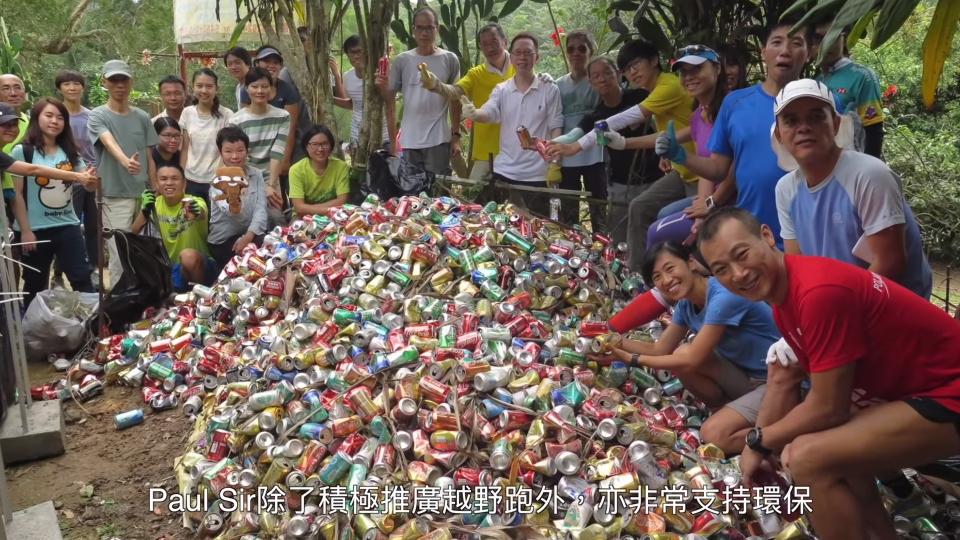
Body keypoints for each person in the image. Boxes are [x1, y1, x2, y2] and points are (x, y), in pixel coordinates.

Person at [696, 207, 960, 540]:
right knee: (834, 456)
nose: (738, 273)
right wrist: (768, 441)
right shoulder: (784, 304)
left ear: (766, 235)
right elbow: (829, 402)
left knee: (806, 458)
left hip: (948, 394)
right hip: (908, 397)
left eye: (742, 254)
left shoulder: (817, 292)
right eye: (721, 269)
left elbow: (827, 407)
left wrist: (758, 442)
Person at [596, 241, 779, 454]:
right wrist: (612, 342)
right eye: (657, 277)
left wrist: (633, 360)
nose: (666, 280)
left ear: (691, 263)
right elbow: (660, 349)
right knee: (680, 353)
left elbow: (693, 358)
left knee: (713, 436)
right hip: (748, 379)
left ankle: (781, 437)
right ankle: (727, 412)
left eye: (670, 268)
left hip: (780, 382)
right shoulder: (686, 305)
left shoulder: (724, 296)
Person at [656, 20, 814, 248]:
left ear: (808, 53)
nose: (785, 51)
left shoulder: (824, 104)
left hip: (809, 233)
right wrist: (681, 156)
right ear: (763, 52)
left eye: (796, 43)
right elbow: (718, 169)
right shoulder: (736, 103)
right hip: (753, 231)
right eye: (777, 42)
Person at [772, 78, 931, 299]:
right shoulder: (785, 190)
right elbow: (798, 264)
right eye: (791, 120)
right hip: (838, 306)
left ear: (836, 124)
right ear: (779, 134)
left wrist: (837, 312)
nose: (804, 127)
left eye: (816, 117)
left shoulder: (869, 175)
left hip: (894, 312)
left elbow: (890, 263)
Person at [548, 39, 697, 268]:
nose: (632, 72)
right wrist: (552, 144)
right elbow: (667, 135)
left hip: (698, 173)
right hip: (676, 173)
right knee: (638, 211)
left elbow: (625, 118)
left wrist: (577, 147)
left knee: (669, 226)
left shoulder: (665, 87)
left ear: (655, 61)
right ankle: (637, 276)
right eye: (628, 68)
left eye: (636, 65)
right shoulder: (650, 92)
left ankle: (667, 271)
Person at [461, 32, 563, 216]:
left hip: (538, 175)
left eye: (528, 53)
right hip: (504, 172)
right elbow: (490, 111)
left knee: (544, 227)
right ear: (512, 56)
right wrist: (475, 113)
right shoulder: (502, 90)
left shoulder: (549, 89)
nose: (522, 57)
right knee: (494, 224)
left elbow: (556, 126)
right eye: (518, 53)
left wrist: (554, 162)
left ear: (536, 57)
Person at [8, 98, 98, 306]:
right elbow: (17, 195)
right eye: (48, 116)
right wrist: (26, 230)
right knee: (34, 284)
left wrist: (91, 180)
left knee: (81, 278)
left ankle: (93, 328)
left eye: (60, 117)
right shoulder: (23, 151)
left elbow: (87, 184)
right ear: (36, 118)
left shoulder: (69, 151)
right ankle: (34, 331)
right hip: (34, 230)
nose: (55, 121)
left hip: (67, 225)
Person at [645, 45, 733, 249]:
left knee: (656, 233)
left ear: (717, 69)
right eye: (684, 72)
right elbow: (707, 169)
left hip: (731, 201)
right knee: (664, 215)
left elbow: (735, 170)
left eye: (697, 69)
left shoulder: (730, 107)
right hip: (713, 197)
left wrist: (710, 205)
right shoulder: (698, 115)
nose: (689, 77)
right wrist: (703, 204)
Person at [573, 57, 663, 244]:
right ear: (590, 82)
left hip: (656, 178)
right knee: (621, 239)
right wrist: (549, 144)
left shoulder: (641, 97)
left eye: (607, 72)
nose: (603, 79)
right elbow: (575, 135)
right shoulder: (596, 116)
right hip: (621, 185)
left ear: (618, 73)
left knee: (658, 233)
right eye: (596, 76)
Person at [88, 59, 158, 289]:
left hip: (143, 194)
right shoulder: (97, 115)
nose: (119, 85)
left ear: (131, 82)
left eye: (124, 80)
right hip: (114, 195)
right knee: (119, 252)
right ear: (104, 83)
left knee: (146, 250)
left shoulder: (142, 117)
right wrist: (124, 160)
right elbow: (107, 140)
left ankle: (146, 300)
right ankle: (119, 302)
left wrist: (154, 186)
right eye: (114, 80)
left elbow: (149, 155)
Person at [419, 23, 514, 179]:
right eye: (485, 44)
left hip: (516, 152)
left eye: (494, 42)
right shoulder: (476, 74)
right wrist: (436, 85)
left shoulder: (519, 67)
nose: (490, 48)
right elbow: (455, 91)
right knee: (474, 197)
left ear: (505, 41)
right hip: (485, 153)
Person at [380, 6, 461, 175]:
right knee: (411, 195)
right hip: (409, 141)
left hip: (438, 140)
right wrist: (393, 142)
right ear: (413, 30)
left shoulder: (450, 59)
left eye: (429, 27)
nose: (424, 33)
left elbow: (456, 99)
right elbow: (390, 101)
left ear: (437, 29)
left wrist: (456, 137)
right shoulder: (402, 60)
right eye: (420, 28)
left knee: (438, 193)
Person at [132, 164, 215, 291]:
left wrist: (194, 211)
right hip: (170, 269)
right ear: (157, 183)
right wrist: (144, 211)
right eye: (164, 179)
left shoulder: (195, 200)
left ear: (184, 183)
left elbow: (200, 212)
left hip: (201, 267)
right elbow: (134, 234)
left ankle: (200, 299)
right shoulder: (154, 204)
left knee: (187, 256)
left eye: (174, 178)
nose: (169, 183)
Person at [809, 21, 885, 158]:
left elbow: (874, 131)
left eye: (834, 36)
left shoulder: (862, 76)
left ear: (844, 39)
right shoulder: (817, 81)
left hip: (855, 165)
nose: (827, 44)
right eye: (819, 38)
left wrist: (870, 170)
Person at [553, 30, 605, 228]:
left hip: (595, 154)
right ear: (566, 53)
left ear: (591, 51)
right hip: (567, 156)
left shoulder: (599, 83)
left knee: (598, 206)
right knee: (569, 211)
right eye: (571, 49)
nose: (576, 53)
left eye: (582, 49)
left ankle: (602, 248)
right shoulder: (558, 85)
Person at [230, 67, 288, 224]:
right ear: (247, 88)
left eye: (264, 86)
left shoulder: (282, 116)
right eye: (254, 86)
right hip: (246, 178)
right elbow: (237, 158)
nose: (260, 91)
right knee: (248, 222)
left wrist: (270, 185)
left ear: (271, 88)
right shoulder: (236, 121)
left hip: (271, 177)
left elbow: (277, 152)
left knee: (276, 218)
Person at [55, 70, 99, 273]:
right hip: (67, 178)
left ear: (83, 87)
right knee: (69, 226)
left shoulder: (92, 116)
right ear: (59, 89)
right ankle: (60, 271)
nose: (72, 88)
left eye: (76, 84)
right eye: (66, 84)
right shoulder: (56, 117)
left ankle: (94, 267)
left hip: (93, 176)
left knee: (93, 226)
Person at [207, 126, 267, 268]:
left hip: (250, 234)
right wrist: (236, 192)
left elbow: (261, 208)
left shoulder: (256, 174)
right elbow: (231, 211)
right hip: (224, 240)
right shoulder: (216, 180)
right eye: (228, 151)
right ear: (220, 152)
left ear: (247, 151)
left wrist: (248, 236)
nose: (235, 156)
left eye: (240, 150)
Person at [180, 69, 234, 204]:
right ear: (193, 87)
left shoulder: (227, 115)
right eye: (199, 86)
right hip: (191, 179)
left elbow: (226, 151)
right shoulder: (187, 113)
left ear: (217, 89)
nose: (204, 90)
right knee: (193, 219)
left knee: (215, 222)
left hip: (216, 180)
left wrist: (219, 177)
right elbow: (185, 148)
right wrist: (181, 177)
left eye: (209, 86)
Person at [250, 45, 310, 168]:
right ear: (257, 63)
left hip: (282, 147)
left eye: (276, 62)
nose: (271, 65)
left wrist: (286, 159)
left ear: (281, 66)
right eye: (266, 61)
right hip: (257, 149)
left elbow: (290, 128)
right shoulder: (248, 89)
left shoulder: (288, 90)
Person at [333, 35, 392, 153]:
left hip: (382, 136)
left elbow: (391, 103)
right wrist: (329, 99)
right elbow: (353, 104)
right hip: (357, 137)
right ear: (347, 55)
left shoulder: (382, 75)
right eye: (352, 52)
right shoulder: (348, 77)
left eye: (359, 51)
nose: (356, 56)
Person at [289, 125, 350, 218]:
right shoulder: (296, 170)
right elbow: (299, 208)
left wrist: (308, 209)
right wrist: (331, 208)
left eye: (325, 144)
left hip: (334, 216)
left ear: (331, 145)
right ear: (306, 147)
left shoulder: (341, 167)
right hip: (303, 218)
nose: (320, 149)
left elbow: (342, 201)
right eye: (315, 144)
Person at [1, 74, 30, 203]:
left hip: (24, 190)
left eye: (17, 87)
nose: (13, 93)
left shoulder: (31, 123)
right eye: (6, 88)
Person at [149, 117, 182, 189]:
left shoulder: (182, 158)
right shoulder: (150, 157)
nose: (173, 140)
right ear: (156, 135)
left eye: (177, 135)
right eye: (167, 135)